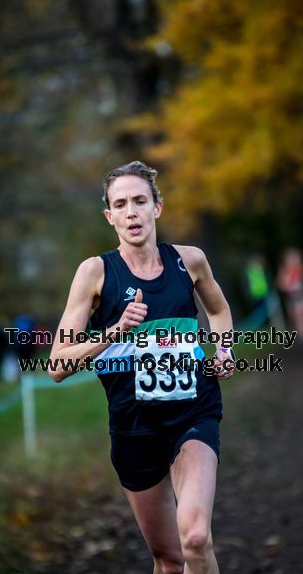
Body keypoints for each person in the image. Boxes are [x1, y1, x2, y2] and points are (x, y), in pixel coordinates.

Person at [48, 161, 233, 574]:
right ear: (109, 217)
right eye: (120, 204)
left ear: (157, 208)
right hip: (134, 426)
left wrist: (224, 351)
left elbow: (219, 311)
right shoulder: (95, 273)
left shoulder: (191, 261)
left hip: (193, 412)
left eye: (139, 201)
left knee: (196, 538)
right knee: (168, 560)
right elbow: (57, 365)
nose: (131, 212)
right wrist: (113, 332)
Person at [276, 248, 303, 344]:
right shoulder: (284, 271)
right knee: (296, 317)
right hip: (292, 297)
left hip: (302, 295)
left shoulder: (302, 269)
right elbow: (281, 285)